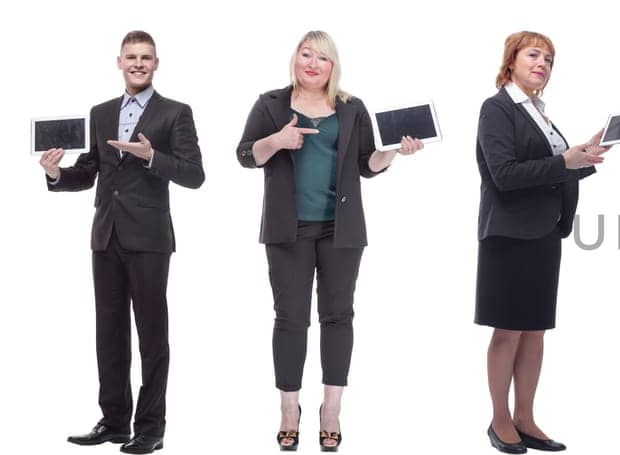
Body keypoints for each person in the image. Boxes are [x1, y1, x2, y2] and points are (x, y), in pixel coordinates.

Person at [234, 30, 423, 452]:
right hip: (288, 230)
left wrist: (394, 152)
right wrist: (277, 140)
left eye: (322, 58)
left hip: (341, 230)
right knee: (290, 318)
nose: (313, 64)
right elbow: (245, 155)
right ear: (295, 59)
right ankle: (288, 410)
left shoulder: (352, 108)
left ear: (333, 65)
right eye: (306, 55)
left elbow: (366, 165)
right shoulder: (270, 104)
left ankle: (331, 411)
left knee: (338, 317)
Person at [42, 30, 204, 455]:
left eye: (145, 57)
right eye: (131, 57)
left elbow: (194, 174)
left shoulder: (175, 113)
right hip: (106, 236)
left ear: (156, 64)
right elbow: (90, 170)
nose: (138, 63)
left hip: (149, 239)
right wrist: (56, 174)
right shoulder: (100, 112)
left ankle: (150, 428)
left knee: (152, 335)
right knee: (109, 333)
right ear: (119, 62)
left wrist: (152, 156)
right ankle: (114, 421)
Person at [476, 30, 612, 454]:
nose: (543, 64)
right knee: (508, 331)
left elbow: (554, 169)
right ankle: (499, 420)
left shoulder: (539, 113)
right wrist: (563, 161)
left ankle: (525, 417)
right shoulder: (498, 108)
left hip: (544, 233)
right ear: (511, 60)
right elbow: (505, 174)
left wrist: (584, 157)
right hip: (509, 234)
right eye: (534, 55)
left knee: (535, 332)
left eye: (549, 59)